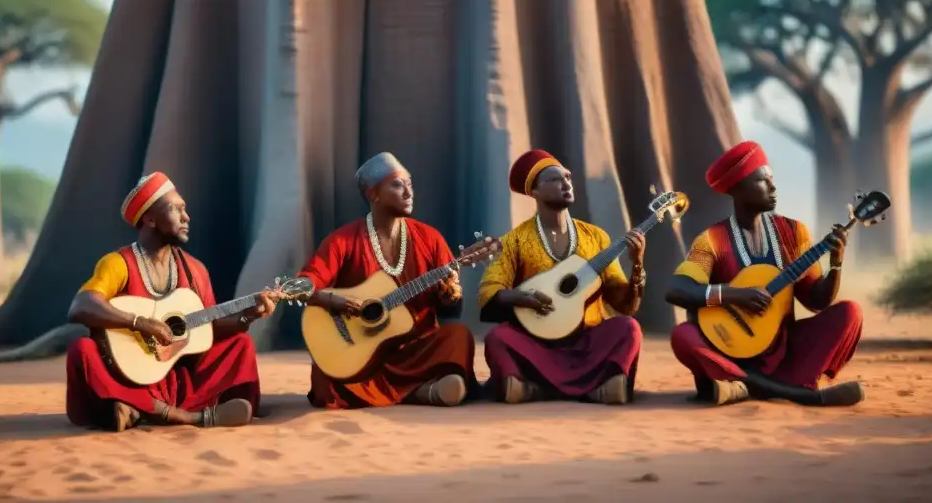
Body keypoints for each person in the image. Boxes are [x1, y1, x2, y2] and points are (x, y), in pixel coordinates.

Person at [65, 172, 282, 431]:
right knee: (82, 350)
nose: (186, 217)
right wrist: (140, 323)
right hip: (129, 375)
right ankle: (185, 416)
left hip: (174, 375)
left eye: (185, 209)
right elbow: (81, 305)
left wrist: (248, 316)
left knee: (240, 345)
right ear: (150, 219)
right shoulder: (118, 264)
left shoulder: (195, 270)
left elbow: (207, 329)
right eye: (176, 209)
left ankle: (137, 410)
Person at [666, 141, 865, 407]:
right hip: (727, 353)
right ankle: (798, 394)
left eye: (772, 180)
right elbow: (678, 290)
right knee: (683, 335)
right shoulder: (711, 240)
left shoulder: (795, 234)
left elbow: (817, 301)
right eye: (763, 181)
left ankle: (744, 388)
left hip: (782, 353)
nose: (773, 187)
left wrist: (836, 263)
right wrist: (735, 295)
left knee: (851, 313)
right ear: (737, 189)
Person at [298, 152, 478, 409]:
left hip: (415, 351)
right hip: (362, 355)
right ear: (374, 195)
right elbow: (302, 285)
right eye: (397, 184)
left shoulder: (430, 238)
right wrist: (334, 300)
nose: (408, 192)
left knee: (458, 336)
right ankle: (422, 392)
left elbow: (451, 312)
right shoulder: (343, 240)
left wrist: (451, 296)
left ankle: (410, 391)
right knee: (327, 373)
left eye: (410, 184)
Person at [478, 149, 646, 405]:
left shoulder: (596, 237)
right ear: (534, 191)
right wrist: (524, 297)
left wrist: (637, 266)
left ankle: (535, 390)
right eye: (554, 179)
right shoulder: (514, 241)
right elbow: (489, 292)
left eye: (567, 177)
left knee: (628, 329)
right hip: (538, 344)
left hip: (587, 343)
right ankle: (594, 389)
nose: (566, 183)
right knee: (497, 338)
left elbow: (624, 305)